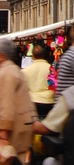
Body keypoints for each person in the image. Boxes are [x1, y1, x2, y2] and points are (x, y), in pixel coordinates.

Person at [0, 37, 35, 165]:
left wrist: (3, 131)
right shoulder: (15, 70)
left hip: (13, 131)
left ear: (2, 56)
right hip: (23, 126)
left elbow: (6, 104)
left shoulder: (5, 73)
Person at [22, 45, 54, 118]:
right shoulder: (51, 69)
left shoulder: (25, 71)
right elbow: (53, 85)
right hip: (48, 101)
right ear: (43, 55)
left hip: (32, 101)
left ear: (33, 56)